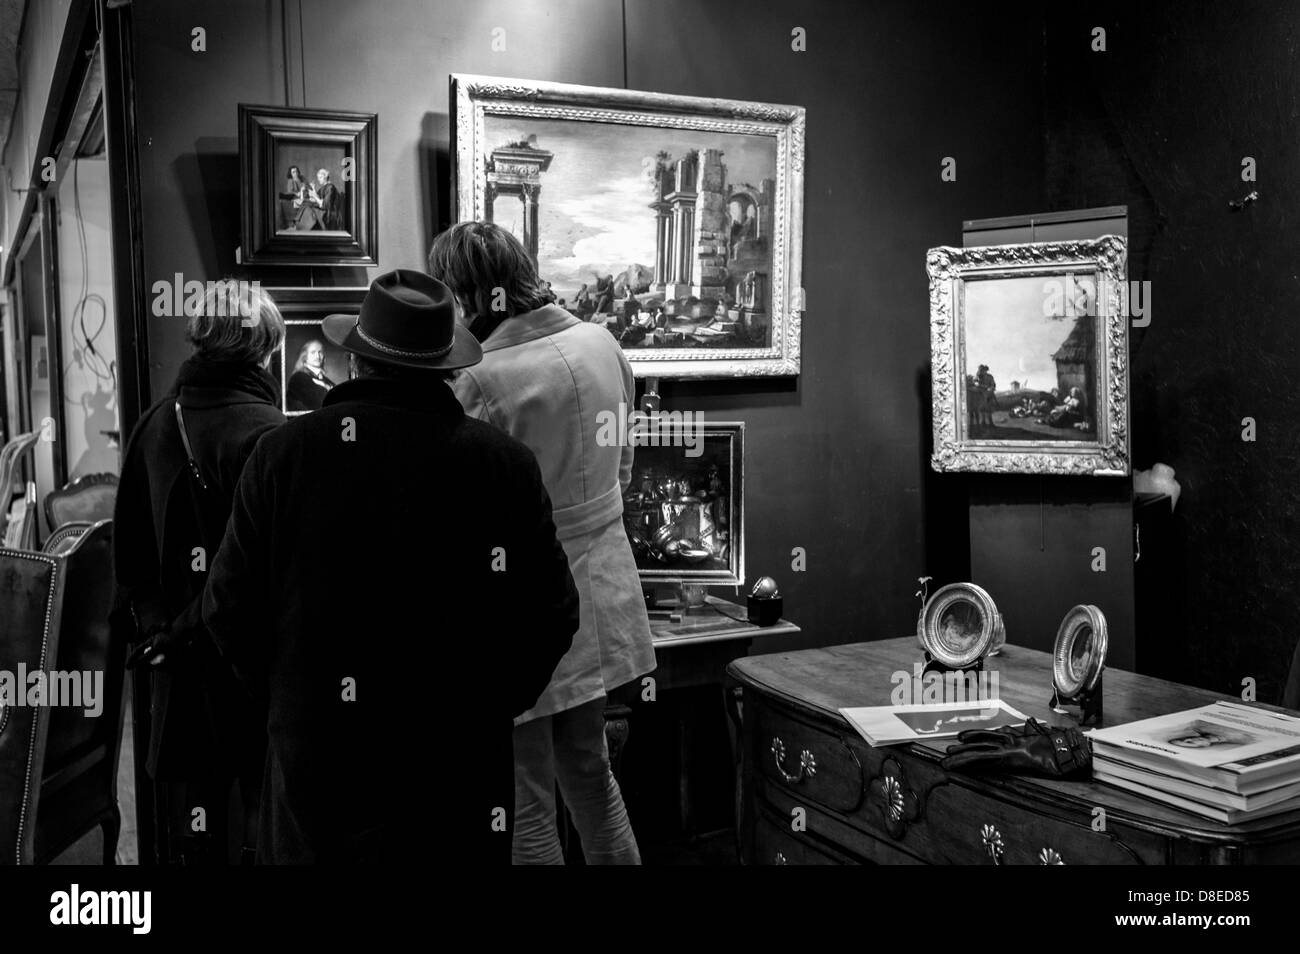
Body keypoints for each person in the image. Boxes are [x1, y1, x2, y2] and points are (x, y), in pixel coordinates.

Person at [202, 269, 578, 864]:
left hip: (317, 771)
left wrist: (290, 699)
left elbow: (226, 607)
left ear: (357, 361)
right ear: (447, 370)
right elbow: (553, 615)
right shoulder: (502, 464)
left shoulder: (283, 456)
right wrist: (487, 707)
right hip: (457, 777)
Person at [429, 221, 657, 865]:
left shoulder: (478, 378)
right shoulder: (604, 343)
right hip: (603, 585)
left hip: (520, 601)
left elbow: (468, 514)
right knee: (592, 775)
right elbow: (626, 469)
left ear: (468, 293)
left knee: (523, 798)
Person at [114, 282, 286, 865]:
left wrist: (161, 632)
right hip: (253, 665)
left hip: (180, 666)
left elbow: (131, 556)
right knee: (264, 822)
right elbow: (272, 570)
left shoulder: (156, 422)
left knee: (195, 832)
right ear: (265, 346)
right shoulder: (269, 434)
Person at [286, 339, 336, 411]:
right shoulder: (298, 378)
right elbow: (319, 404)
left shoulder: (328, 382)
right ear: (305, 357)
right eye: (313, 352)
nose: (317, 356)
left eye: (320, 352)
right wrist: (327, 388)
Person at [278, 166, 307, 232]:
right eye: (293, 172)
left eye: (296, 171)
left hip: (304, 195)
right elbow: (290, 191)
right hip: (295, 197)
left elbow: (307, 186)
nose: (295, 173)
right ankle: (295, 224)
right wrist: (297, 193)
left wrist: (304, 189)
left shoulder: (302, 178)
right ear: (290, 174)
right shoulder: (291, 181)